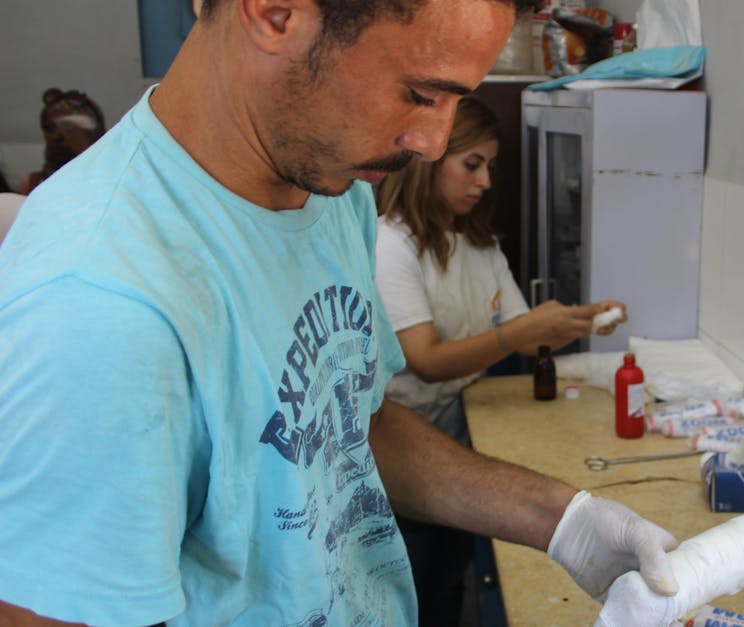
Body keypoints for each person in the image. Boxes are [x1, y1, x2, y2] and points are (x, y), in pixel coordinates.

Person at [0, 1, 679, 626]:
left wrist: (561, 518)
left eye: (456, 101)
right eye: (419, 93)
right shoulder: (97, 304)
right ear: (275, 12)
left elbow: (355, 425)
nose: (433, 143)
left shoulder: (332, 188)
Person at [374, 95, 626, 626]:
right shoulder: (391, 245)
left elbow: (527, 338)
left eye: (490, 166)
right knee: (412, 591)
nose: (486, 181)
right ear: (429, 160)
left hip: (458, 442)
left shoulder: (480, 246)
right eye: (472, 165)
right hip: (399, 452)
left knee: (446, 579)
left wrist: (581, 321)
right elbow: (425, 359)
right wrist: (521, 331)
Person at [17, 87, 106, 194]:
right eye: (49, 128)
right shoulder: (33, 183)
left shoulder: (109, 183)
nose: (55, 137)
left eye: (67, 127)